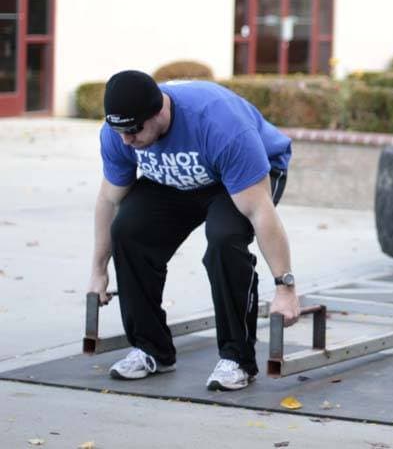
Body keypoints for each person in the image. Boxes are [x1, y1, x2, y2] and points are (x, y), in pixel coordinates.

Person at [87, 70, 300, 391]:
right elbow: (108, 199)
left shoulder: (221, 126)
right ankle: (151, 349)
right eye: (119, 132)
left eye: (133, 130)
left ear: (159, 112)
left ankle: (237, 358)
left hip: (242, 176)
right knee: (128, 230)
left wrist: (285, 287)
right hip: (177, 177)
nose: (127, 141)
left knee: (224, 240)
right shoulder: (119, 135)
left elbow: (259, 211)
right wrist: (98, 270)